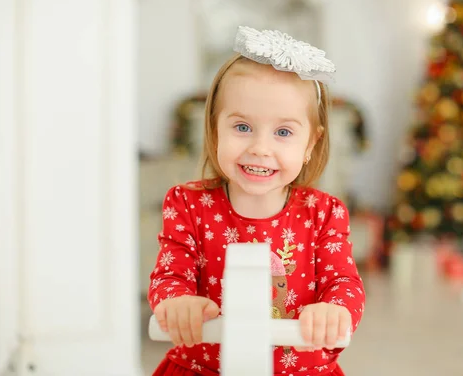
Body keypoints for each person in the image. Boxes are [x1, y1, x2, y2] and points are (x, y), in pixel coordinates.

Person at [148, 26, 366, 376]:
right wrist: (176, 303)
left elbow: (343, 282)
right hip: (203, 368)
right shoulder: (188, 205)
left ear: (311, 144)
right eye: (243, 127)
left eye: (283, 132)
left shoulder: (324, 214)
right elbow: (170, 274)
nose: (260, 148)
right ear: (215, 129)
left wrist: (334, 310)